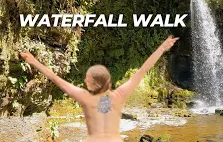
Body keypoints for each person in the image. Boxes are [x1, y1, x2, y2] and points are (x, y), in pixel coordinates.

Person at [20, 35, 179, 142]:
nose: (84, 81)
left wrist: (33, 61)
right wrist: (162, 48)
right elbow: (142, 70)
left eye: (87, 79)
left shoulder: (85, 97)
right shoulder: (119, 95)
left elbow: (55, 78)